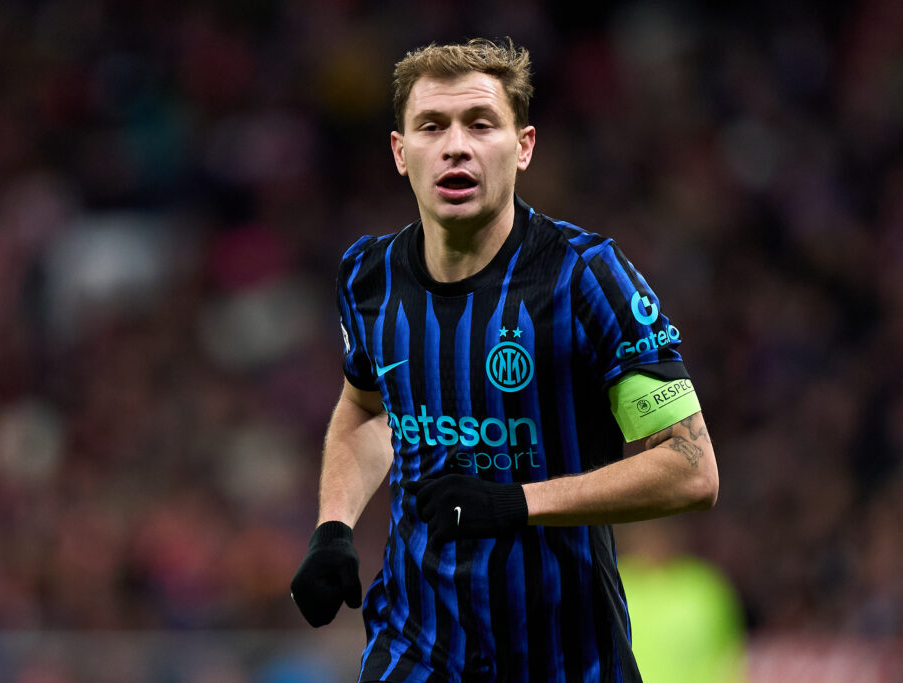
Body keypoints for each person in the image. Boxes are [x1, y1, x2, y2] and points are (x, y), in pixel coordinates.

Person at [290, 38, 719, 682]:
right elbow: (368, 409)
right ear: (400, 152)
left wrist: (517, 503)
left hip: (567, 657)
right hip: (417, 646)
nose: (455, 146)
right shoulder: (368, 277)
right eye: (431, 126)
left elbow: (690, 469)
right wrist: (333, 525)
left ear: (523, 146)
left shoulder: (587, 278)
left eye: (481, 124)